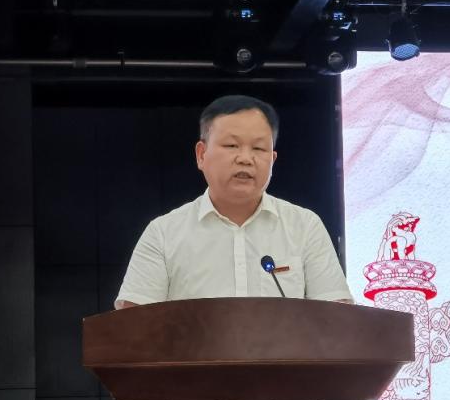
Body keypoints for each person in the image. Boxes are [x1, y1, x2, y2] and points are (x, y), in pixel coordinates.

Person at [115, 94, 352, 308]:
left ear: (273, 159)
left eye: (258, 148)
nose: (245, 158)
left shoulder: (305, 227)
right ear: (201, 155)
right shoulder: (163, 234)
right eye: (231, 145)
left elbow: (337, 318)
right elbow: (134, 326)